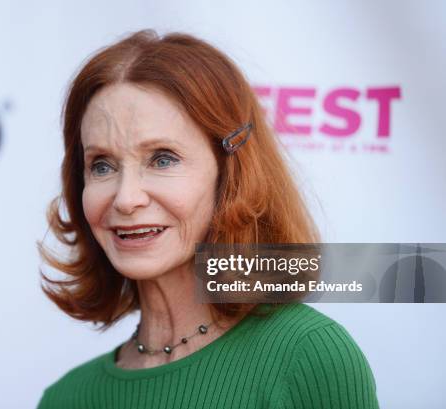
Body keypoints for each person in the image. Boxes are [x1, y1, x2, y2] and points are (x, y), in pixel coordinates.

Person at [36, 29, 379, 408]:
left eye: (162, 159)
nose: (126, 198)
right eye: (102, 165)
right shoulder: (65, 398)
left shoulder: (308, 356)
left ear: (230, 176)